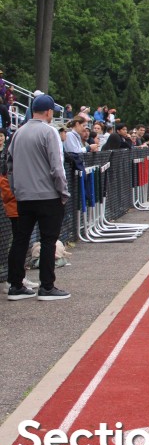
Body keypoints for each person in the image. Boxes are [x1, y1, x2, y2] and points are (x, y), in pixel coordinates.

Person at [5, 95, 71, 301]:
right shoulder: (49, 132)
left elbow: (9, 165)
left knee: (20, 239)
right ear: (49, 112)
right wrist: (63, 192)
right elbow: (57, 167)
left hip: (24, 195)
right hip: (48, 195)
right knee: (48, 240)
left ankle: (15, 285)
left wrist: (16, 189)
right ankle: (47, 286)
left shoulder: (18, 132)